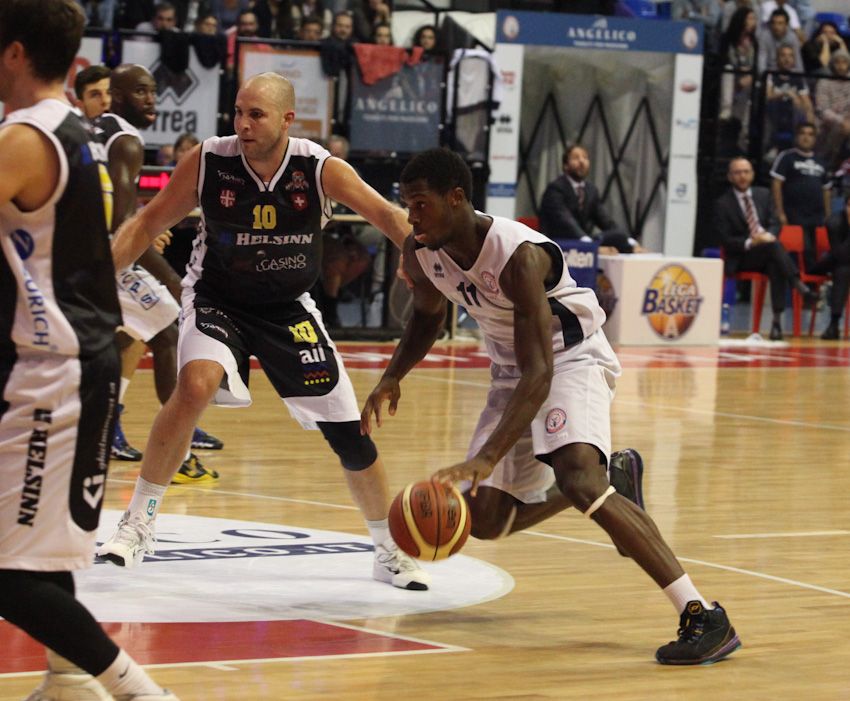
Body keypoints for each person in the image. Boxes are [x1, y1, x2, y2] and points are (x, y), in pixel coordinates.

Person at [360, 147, 741, 665]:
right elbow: (428, 316)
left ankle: (703, 615)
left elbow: (541, 372)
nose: (412, 217)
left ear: (456, 198)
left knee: (580, 478)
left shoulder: (518, 256)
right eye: (407, 205)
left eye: (421, 204)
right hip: (511, 371)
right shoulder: (421, 250)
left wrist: (486, 458)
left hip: (570, 359)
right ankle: (614, 474)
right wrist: (392, 376)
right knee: (486, 520)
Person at [96, 72, 430, 591]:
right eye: (238, 112)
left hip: (287, 309)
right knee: (195, 384)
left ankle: (388, 548)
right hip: (217, 298)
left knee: (349, 435)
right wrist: (97, 282)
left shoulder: (318, 167)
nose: (243, 124)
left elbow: (387, 215)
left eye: (256, 114)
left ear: (287, 120)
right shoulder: (210, 160)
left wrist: (419, 259)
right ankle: (138, 522)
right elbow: (145, 222)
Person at [0, 2, 179, 699]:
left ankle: (137, 691)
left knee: (8, 572)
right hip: (61, 359)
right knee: (39, 552)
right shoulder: (72, 129)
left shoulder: (26, 138)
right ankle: (68, 680)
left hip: (55, 370)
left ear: (16, 53)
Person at [95, 64, 224, 472]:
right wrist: (169, 277)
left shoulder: (96, 129)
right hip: (102, 256)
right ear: (118, 96)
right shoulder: (126, 141)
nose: (151, 99)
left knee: (127, 336)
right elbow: (120, 226)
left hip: (78, 251)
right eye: (141, 92)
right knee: (168, 329)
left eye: (153, 91)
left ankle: (105, 426)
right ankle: (180, 455)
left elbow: (114, 208)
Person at [716, 156, 816, 340]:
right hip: (743, 256)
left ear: (752, 174)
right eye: (737, 173)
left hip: (768, 250)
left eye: (746, 172)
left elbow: (775, 223)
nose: (742, 176)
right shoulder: (723, 204)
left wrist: (767, 236)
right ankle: (798, 284)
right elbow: (725, 239)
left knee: (775, 263)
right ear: (730, 177)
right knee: (774, 248)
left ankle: (776, 323)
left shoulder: (764, 194)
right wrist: (752, 241)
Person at [538, 144, 643, 254]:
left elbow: (605, 220)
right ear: (566, 166)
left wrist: (628, 240)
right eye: (576, 158)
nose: (581, 161)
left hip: (583, 240)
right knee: (590, 243)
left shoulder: (590, 190)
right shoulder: (556, 188)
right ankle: (594, 248)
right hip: (559, 242)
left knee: (618, 235)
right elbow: (565, 220)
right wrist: (587, 244)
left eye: (585, 157)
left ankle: (631, 248)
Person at [771, 122, 831, 269]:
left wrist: (827, 215)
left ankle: (812, 281)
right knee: (802, 252)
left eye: (810, 134)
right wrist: (780, 212)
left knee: (816, 253)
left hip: (816, 217)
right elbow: (776, 184)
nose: (806, 137)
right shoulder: (787, 157)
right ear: (797, 137)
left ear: (815, 139)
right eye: (803, 133)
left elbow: (826, 190)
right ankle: (800, 282)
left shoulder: (821, 161)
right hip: (794, 215)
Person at [810, 196, 850, 339]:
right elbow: (841, 255)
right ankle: (834, 323)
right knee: (843, 269)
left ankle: (833, 325)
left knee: (843, 270)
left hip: (842, 264)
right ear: (846, 206)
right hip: (830, 262)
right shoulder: (834, 222)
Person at [757, 8, 802, 72]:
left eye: (780, 23)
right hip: (770, 73)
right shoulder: (765, 36)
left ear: (786, 25)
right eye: (773, 23)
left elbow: (798, 64)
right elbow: (761, 63)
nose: (776, 26)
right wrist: (765, 76)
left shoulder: (792, 38)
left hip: (789, 73)